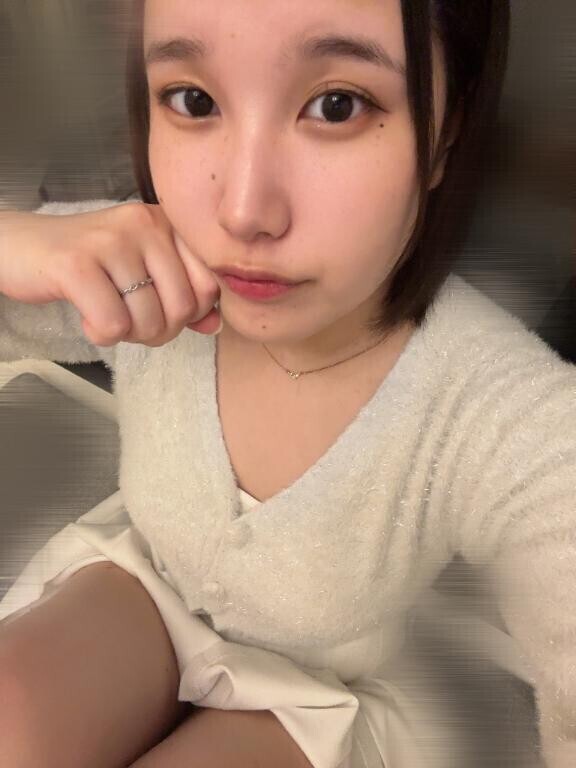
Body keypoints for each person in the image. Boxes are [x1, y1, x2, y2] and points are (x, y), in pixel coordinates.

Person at [0, 1, 574, 767]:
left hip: (322, 688)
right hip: (144, 583)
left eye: (337, 106)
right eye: (192, 100)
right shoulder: (143, 270)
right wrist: (14, 241)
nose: (244, 212)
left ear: (445, 133)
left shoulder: (493, 406)